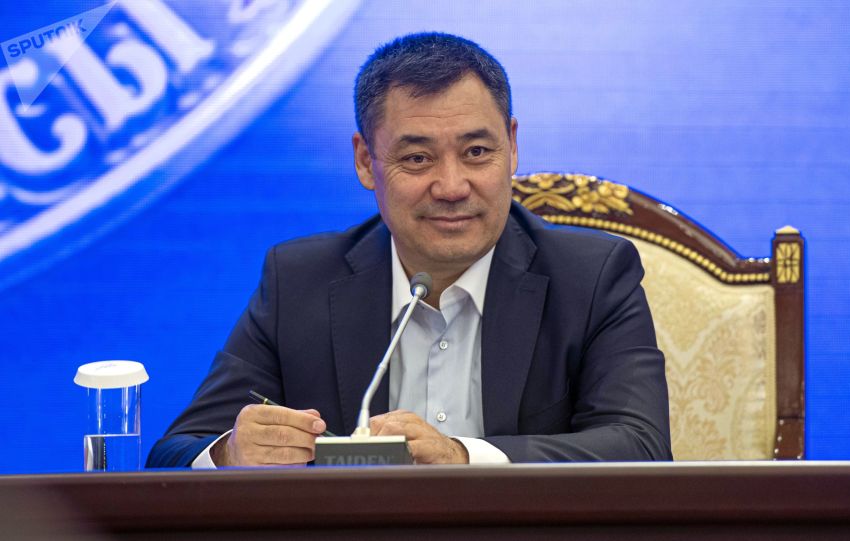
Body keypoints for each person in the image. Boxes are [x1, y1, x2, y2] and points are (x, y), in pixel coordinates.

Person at [147, 32, 670, 468]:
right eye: (417, 158)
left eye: (477, 152)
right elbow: (174, 454)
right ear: (365, 161)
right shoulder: (299, 280)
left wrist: (463, 457)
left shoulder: (592, 276)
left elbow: (640, 447)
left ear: (512, 146)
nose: (452, 186)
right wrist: (232, 451)